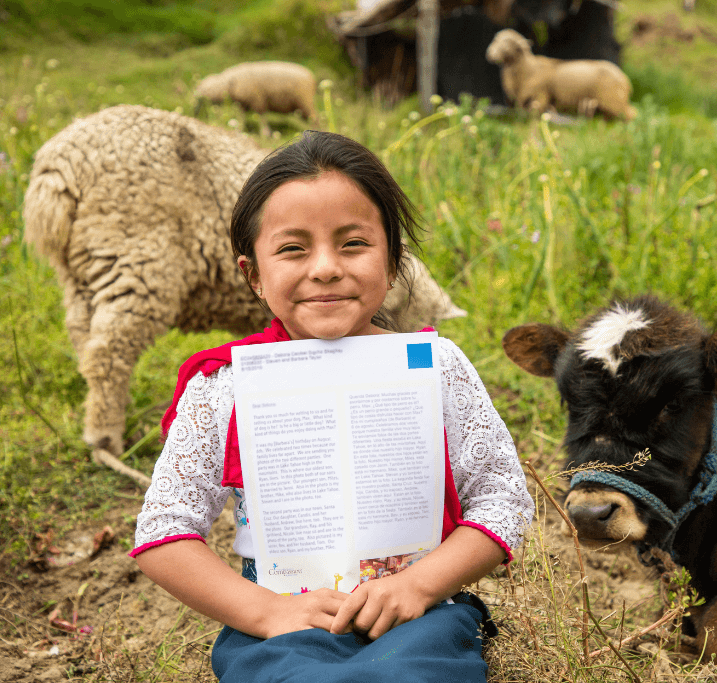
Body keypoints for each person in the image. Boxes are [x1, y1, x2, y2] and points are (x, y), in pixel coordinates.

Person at [131, 131, 535, 682]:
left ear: (393, 263)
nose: (325, 267)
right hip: (279, 631)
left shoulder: (435, 365)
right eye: (293, 248)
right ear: (253, 274)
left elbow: (501, 497)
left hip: (417, 621)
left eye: (353, 244)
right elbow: (164, 530)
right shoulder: (221, 386)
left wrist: (419, 585)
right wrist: (267, 612)